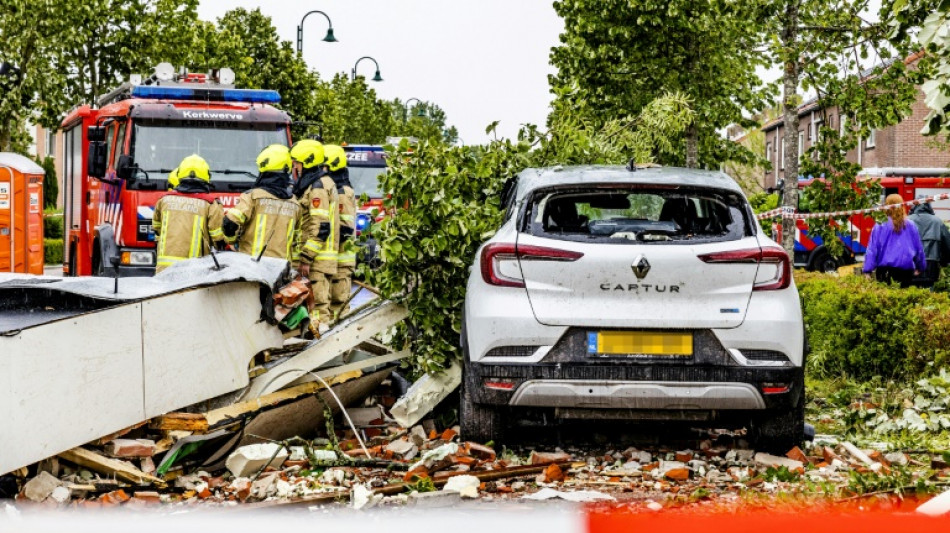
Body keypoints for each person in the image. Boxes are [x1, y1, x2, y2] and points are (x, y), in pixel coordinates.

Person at [289, 139, 340, 330]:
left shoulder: (317, 187)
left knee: (317, 309)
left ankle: (320, 345)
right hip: (317, 260)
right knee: (312, 308)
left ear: (308, 162)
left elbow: (320, 227)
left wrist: (306, 258)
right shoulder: (320, 182)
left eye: (297, 163)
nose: (295, 167)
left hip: (316, 261)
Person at [223, 144, 301, 261]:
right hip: (281, 268)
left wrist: (231, 242)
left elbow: (229, 223)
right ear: (287, 168)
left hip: (252, 266)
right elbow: (298, 239)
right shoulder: (295, 203)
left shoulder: (253, 197)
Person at [152, 154, 225, 273]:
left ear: (179, 174)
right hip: (195, 272)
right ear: (206, 176)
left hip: (164, 270)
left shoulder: (164, 200)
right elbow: (219, 238)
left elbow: (157, 229)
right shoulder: (211, 204)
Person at [323, 145, 358, 320]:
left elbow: (345, 228)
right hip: (333, 260)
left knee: (338, 307)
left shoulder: (342, 193)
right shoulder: (334, 189)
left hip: (341, 262)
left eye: (323, 166)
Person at [862, 194, 926, 288]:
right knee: (903, 296)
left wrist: (867, 270)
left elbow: (872, 249)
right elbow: (918, 248)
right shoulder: (911, 225)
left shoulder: (880, 225)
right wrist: (921, 267)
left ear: (887, 206)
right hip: (906, 271)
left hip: (884, 270)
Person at [909, 202, 950, 289]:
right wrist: (944, 262)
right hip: (931, 265)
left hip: (910, 264)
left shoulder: (907, 221)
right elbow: (947, 245)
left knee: (907, 294)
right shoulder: (937, 222)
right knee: (928, 294)